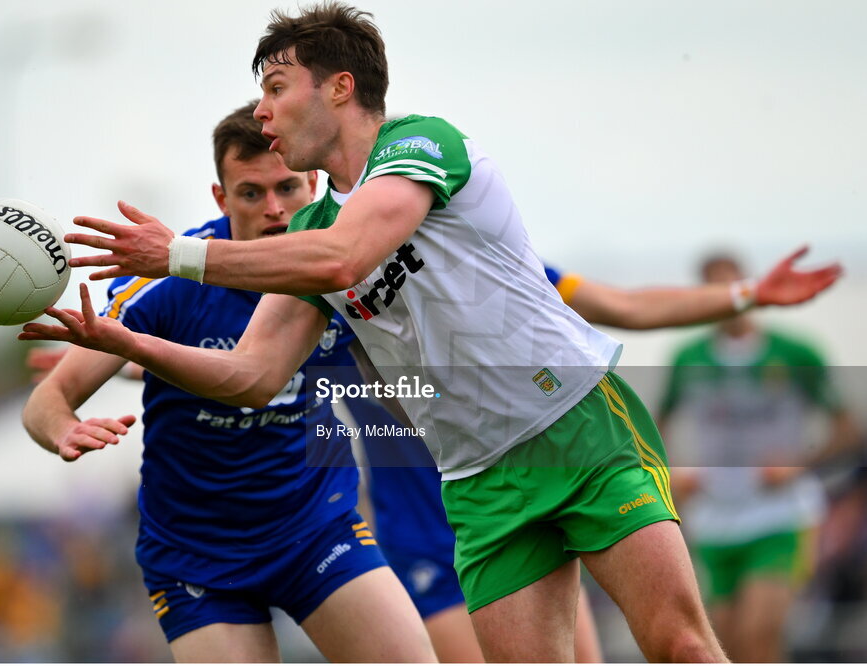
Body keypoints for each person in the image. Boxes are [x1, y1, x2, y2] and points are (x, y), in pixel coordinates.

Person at [21, 2, 836, 661]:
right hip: (477, 482)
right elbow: (251, 374)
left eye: (276, 85)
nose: (262, 110)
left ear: (340, 88)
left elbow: (348, 255)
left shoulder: (420, 145)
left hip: (577, 430)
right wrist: (127, 345)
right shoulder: (305, 231)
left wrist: (179, 255)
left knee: (680, 645)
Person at [21, 101, 435, 663]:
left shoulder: (339, 265)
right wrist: (63, 429)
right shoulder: (166, 284)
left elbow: (398, 377)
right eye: (250, 193)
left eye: (287, 189)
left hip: (316, 526)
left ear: (313, 182)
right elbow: (48, 400)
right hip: (197, 555)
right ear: (221, 198)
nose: (274, 209)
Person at [355, 254, 842, 663]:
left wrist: (746, 293)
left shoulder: (479, 254)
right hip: (440, 527)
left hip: (568, 475)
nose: (277, 210)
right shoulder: (331, 291)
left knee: (713, 643)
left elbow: (623, 304)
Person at [658, 253, 858, 663]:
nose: (726, 298)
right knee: (723, 644)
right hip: (714, 519)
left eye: (732, 286)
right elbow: (653, 430)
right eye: (713, 289)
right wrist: (671, 475)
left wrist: (799, 463)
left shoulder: (794, 352)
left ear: (749, 285)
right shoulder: (688, 359)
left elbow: (848, 429)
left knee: (759, 632)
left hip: (779, 515)